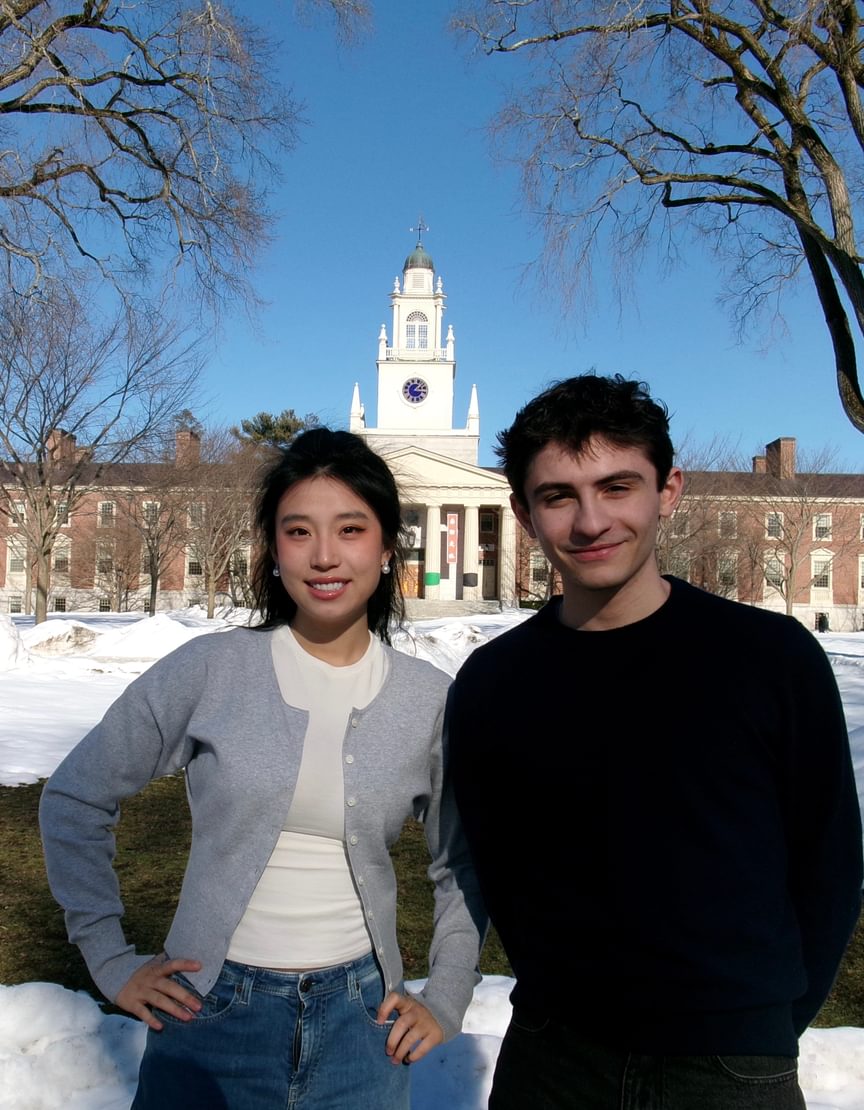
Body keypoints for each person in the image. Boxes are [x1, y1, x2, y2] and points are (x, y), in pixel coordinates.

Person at [447, 374, 863, 1110]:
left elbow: (829, 867)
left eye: (617, 487)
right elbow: (494, 865)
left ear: (667, 490)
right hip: (553, 1059)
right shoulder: (493, 682)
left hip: (730, 1067)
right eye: (557, 496)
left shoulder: (770, 658)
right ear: (522, 512)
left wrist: (760, 1025)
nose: (590, 521)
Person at [40, 427, 484, 1110]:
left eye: (351, 529)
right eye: (299, 531)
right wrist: (108, 958)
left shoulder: (429, 700)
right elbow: (75, 796)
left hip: (363, 1025)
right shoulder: (210, 670)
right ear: (273, 550)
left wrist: (448, 994)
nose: (325, 555)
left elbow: (462, 862)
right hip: (207, 1015)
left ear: (389, 547)